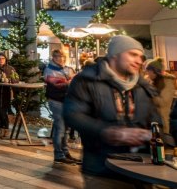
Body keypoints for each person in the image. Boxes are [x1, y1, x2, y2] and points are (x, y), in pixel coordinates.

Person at [64, 35, 164, 184]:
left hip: (141, 170)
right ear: (115, 55)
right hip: (102, 169)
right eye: (132, 54)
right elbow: (73, 114)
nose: (139, 60)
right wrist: (110, 132)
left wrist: (151, 134)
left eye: (140, 56)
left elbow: (156, 119)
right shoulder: (88, 80)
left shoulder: (142, 86)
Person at [44, 49, 80, 165]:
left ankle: (65, 153)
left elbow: (74, 81)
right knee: (60, 128)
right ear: (54, 58)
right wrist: (69, 81)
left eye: (63, 57)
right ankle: (58, 155)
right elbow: (57, 84)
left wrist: (70, 81)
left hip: (66, 100)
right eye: (58, 57)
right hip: (56, 101)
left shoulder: (67, 68)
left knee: (66, 129)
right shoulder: (49, 69)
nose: (61, 59)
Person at [144, 57, 175, 135]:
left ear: (154, 72)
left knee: (161, 145)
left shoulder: (168, 83)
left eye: (149, 71)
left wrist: (149, 92)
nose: (147, 74)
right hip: (152, 120)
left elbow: (162, 102)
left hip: (162, 122)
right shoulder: (152, 81)